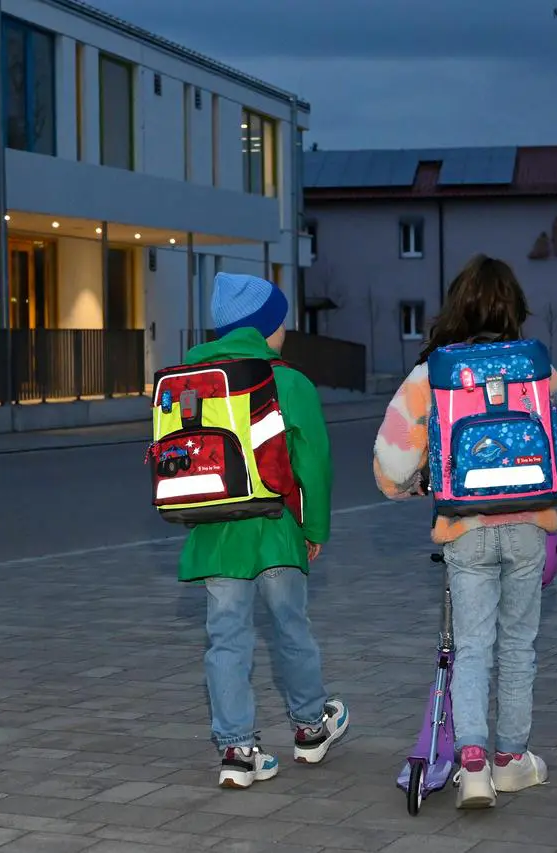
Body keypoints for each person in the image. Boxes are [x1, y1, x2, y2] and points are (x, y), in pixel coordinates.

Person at [372, 254, 557, 808]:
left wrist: (420, 487)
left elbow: (390, 465)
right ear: (514, 308)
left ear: (455, 307)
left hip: (463, 530)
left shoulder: (433, 374)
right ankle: (512, 759)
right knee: (518, 645)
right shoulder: (537, 368)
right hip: (528, 526)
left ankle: (471, 765)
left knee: (471, 648)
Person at [180, 272, 349, 789]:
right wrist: (314, 528)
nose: (284, 332)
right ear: (264, 327)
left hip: (215, 531)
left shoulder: (189, 380)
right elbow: (313, 463)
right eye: (279, 323)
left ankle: (237, 750)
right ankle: (310, 727)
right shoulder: (289, 382)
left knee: (225, 639)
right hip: (277, 529)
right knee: (290, 629)